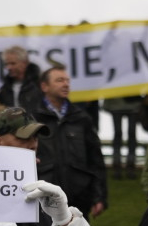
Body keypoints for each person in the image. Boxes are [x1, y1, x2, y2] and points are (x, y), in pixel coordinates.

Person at [30, 66, 107, 217]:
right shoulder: (33, 117)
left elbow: (95, 160)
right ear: (44, 86)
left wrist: (99, 196)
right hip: (44, 197)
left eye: (67, 81)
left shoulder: (81, 118)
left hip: (78, 198)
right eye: (59, 80)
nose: (65, 84)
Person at [0, 46, 42, 110]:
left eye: (13, 63)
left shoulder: (40, 85)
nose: (8, 67)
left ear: (25, 63)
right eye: (6, 64)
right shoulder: (4, 90)